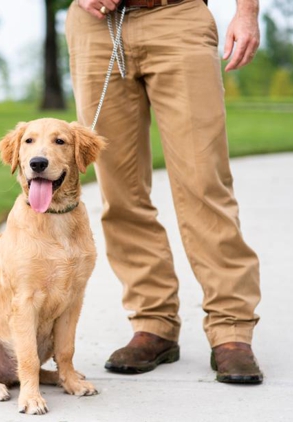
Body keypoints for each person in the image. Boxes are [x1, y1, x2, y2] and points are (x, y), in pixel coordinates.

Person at [65, 0, 263, 383]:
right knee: (119, 192)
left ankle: (231, 330)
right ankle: (153, 324)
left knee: (204, 184)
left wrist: (247, 11)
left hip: (179, 16)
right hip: (95, 26)